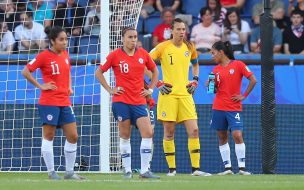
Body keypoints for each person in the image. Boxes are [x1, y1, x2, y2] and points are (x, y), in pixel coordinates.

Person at [95, 27, 160, 179]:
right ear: (123, 38)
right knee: (125, 135)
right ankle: (128, 170)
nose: (133, 40)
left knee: (148, 133)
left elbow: (155, 71)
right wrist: (110, 89)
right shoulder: (115, 55)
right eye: (130, 37)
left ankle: (144, 171)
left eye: (135, 37)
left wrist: (150, 89)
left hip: (139, 102)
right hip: (121, 101)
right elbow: (98, 72)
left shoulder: (143, 54)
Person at [21, 26, 85, 180]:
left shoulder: (65, 55)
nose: (65, 42)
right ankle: (51, 172)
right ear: (52, 41)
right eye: (61, 39)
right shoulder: (44, 56)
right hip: (49, 101)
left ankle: (69, 172)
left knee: (73, 136)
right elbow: (25, 71)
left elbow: (68, 71)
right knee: (49, 135)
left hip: (64, 100)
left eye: (66, 39)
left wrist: (69, 86)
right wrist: (41, 86)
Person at [150, 18, 211, 177]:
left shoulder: (190, 47)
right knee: (169, 133)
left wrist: (195, 81)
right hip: (168, 95)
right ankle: (172, 170)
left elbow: (196, 65)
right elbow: (144, 63)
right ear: (171, 31)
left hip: (185, 95)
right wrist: (157, 83)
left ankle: (196, 169)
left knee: (195, 130)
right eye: (178, 29)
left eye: (183, 29)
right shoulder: (163, 47)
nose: (181, 32)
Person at [207, 41, 257, 175]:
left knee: (237, 135)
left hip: (234, 108)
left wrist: (244, 95)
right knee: (222, 136)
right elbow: (212, 90)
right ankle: (227, 168)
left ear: (221, 52)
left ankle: (242, 168)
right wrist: (210, 85)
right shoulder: (215, 70)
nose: (212, 56)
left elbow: (253, 80)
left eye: (213, 53)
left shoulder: (238, 64)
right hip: (218, 107)